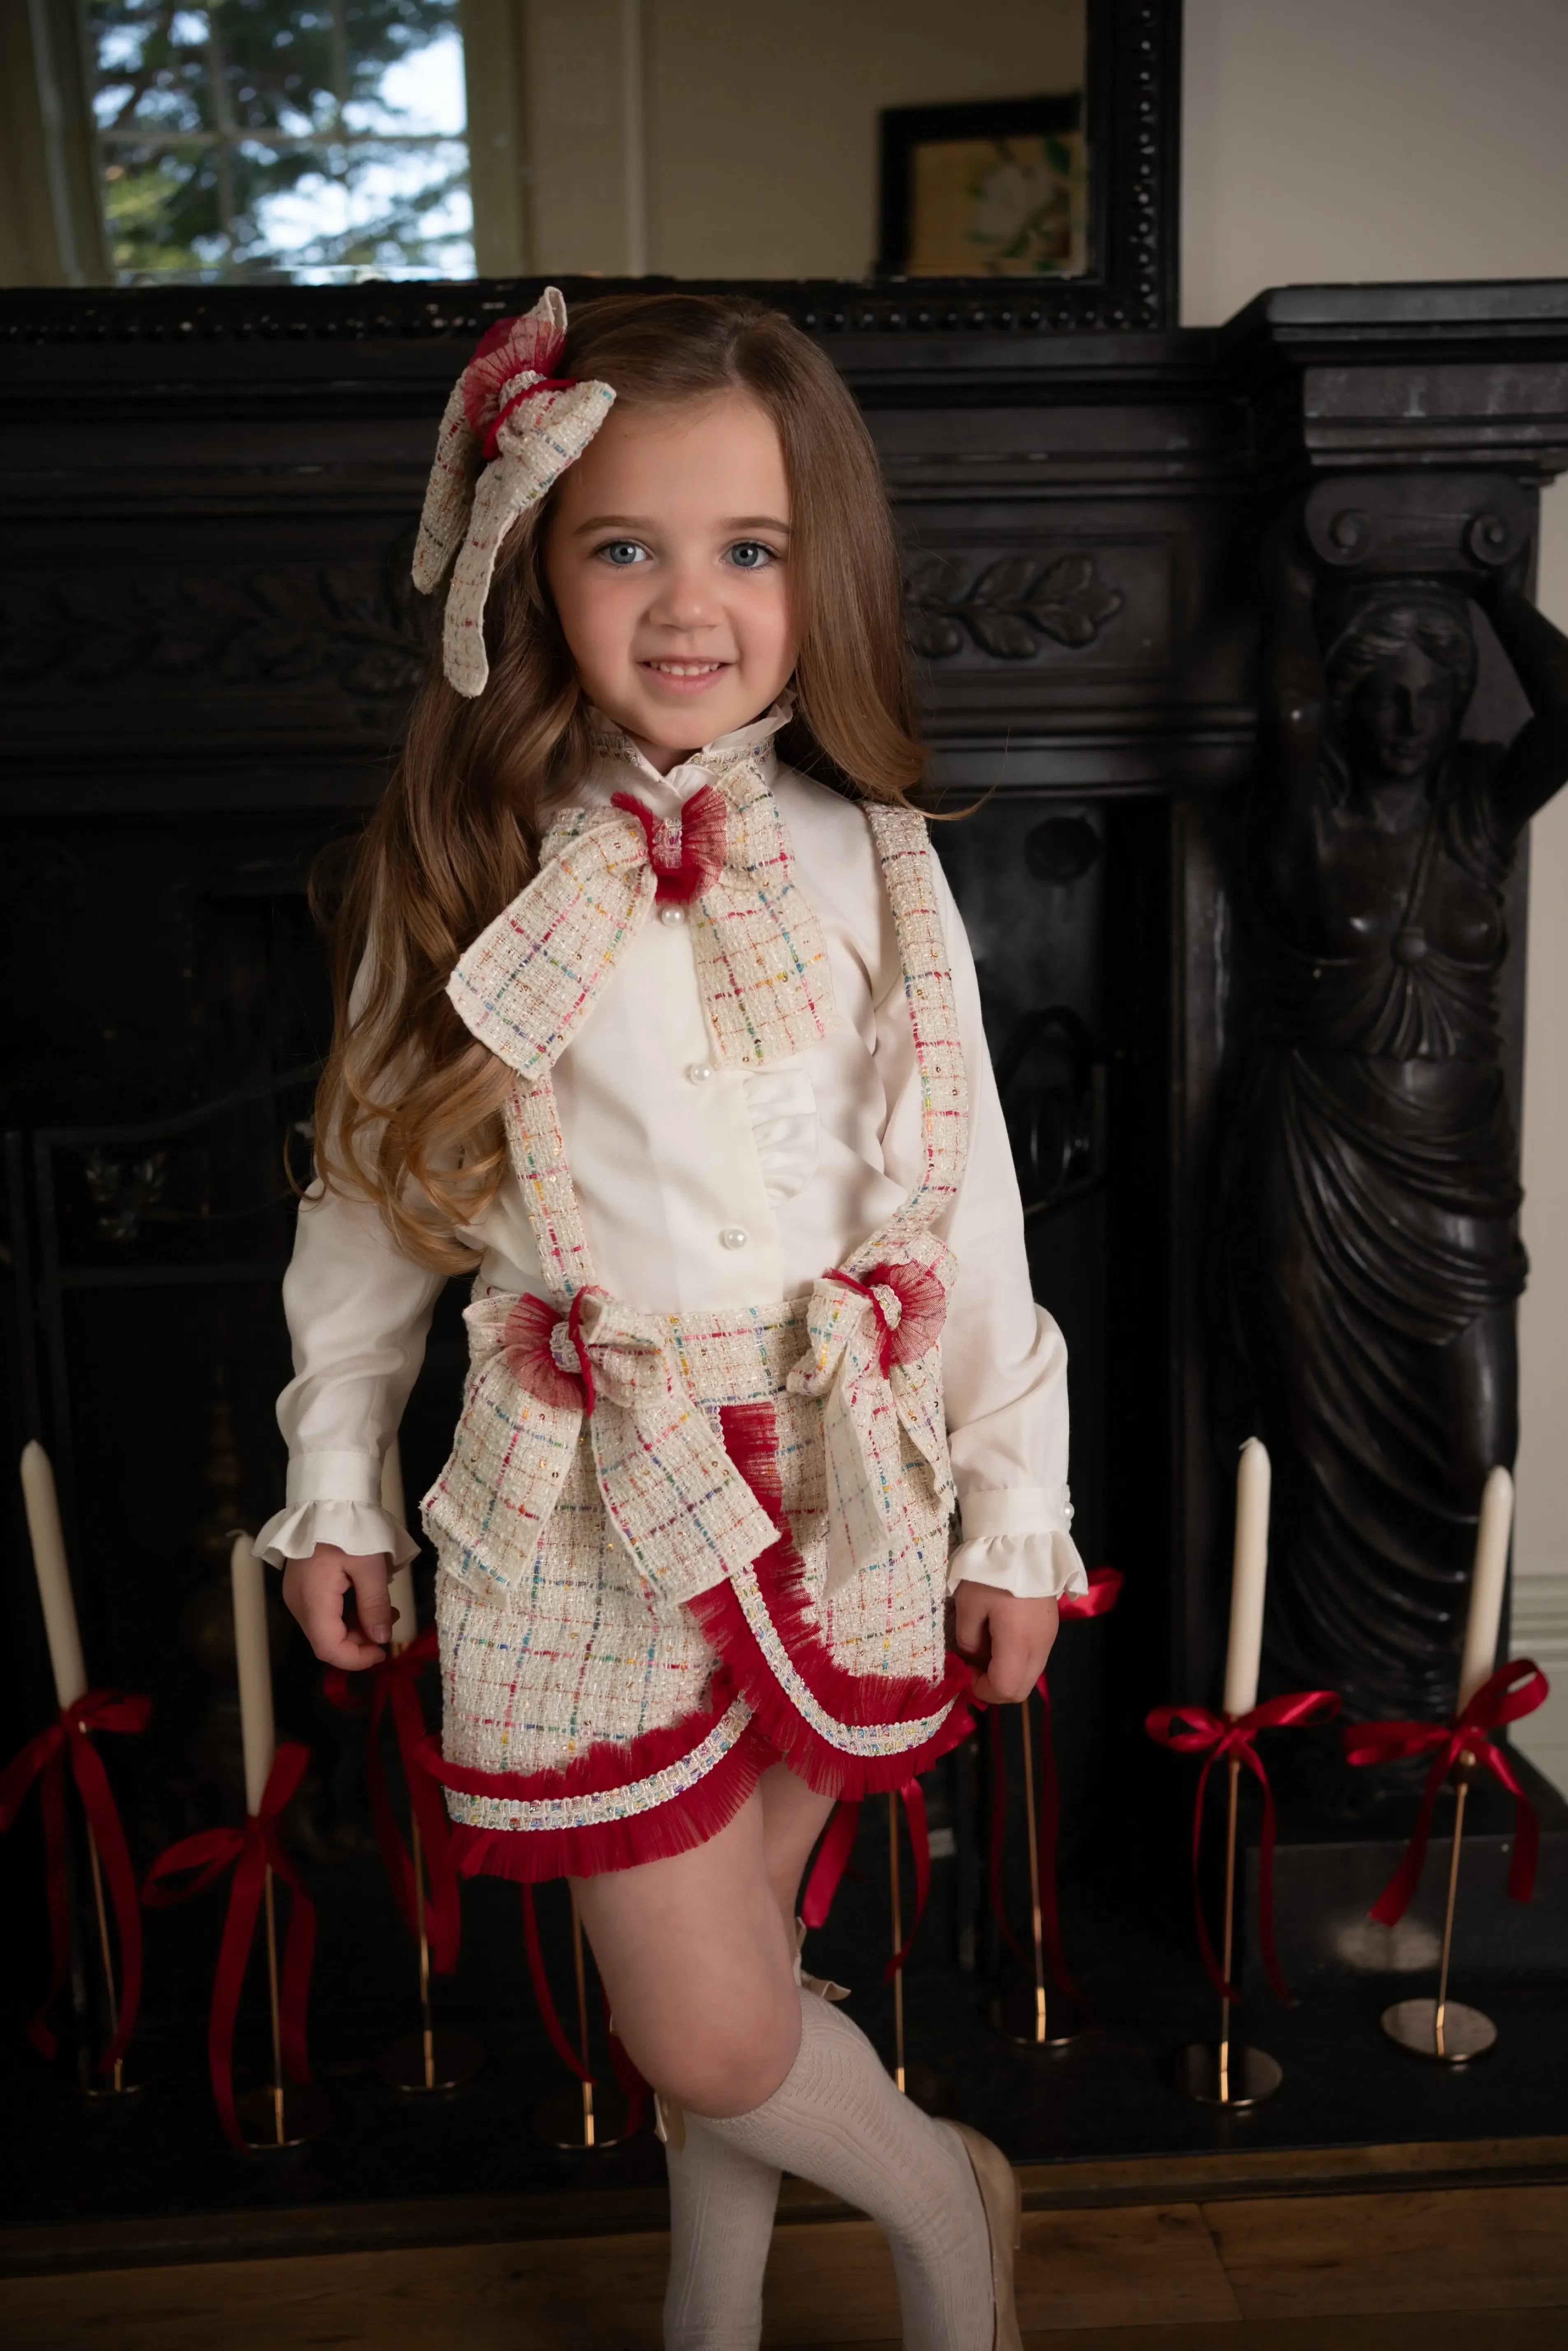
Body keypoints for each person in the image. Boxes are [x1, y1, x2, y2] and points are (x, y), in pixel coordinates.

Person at [258, 287, 1087, 2351]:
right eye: (625, 544)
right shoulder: (461, 868)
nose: (688, 602)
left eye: (749, 548)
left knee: (734, 1963)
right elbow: (368, 1207)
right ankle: (949, 2218)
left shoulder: (873, 865)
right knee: (710, 2022)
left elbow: (961, 1204)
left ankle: (702, 2322)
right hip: (582, 1492)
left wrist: (1011, 1514)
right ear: (533, 565)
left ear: (825, 569)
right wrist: (334, 1481)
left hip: (834, 1464)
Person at [1235, 523, 1568, 1728]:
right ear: (1344, 699)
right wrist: (1290, 585)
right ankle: (1330, 1714)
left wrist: (1494, 594)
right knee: (1312, 1455)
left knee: (1479, 1452)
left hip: (1459, 1181)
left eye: (1432, 692)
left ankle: (1438, 1710)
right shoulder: (1308, 819)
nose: (1406, 717)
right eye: (1379, 690)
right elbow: (1279, 719)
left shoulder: (1481, 809)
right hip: (1320, 1165)